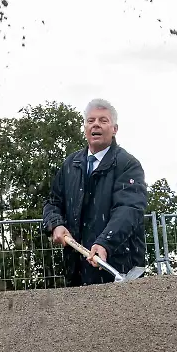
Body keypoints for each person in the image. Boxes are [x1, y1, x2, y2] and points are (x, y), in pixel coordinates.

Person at [42, 99, 148, 286]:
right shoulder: (71, 165)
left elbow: (128, 209)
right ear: (84, 127)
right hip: (76, 270)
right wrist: (55, 224)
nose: (96, 124)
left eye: (103, 120)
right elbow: (53, 202)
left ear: (114, 128)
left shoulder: (127, 165)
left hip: (116, 266)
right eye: (90, 121)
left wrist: (105, 243)